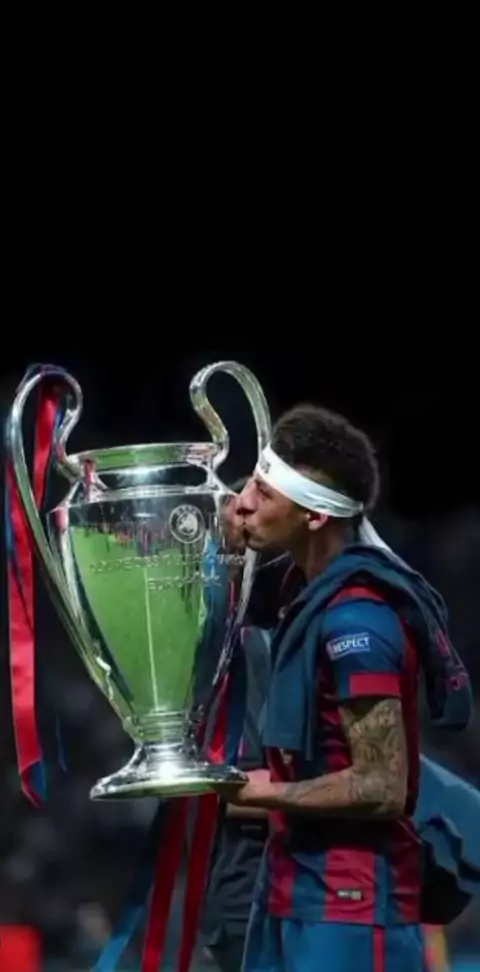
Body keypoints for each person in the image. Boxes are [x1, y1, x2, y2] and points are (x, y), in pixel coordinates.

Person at [220, 403, 473, 972]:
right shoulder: (302, 591)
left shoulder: (358, 622)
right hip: (290, 890)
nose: (242, 503)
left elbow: (382, 785)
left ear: (313, 516)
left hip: (352, 907)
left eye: (263, 492)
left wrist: (259, 793)